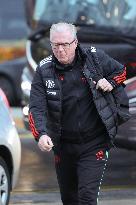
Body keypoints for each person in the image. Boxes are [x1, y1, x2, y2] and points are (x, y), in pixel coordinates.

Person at [29, 22, 126, 205]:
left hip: (94, 142)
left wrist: (110, 82)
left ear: (75, 42)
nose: (60, 50)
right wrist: (40, 134)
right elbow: (36, 107)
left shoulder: (94, 57)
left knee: (87, 198)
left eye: (64, 44)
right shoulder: (44, 70)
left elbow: (121, 71)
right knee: (69, 198)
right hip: (63, 145)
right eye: (55, 45)